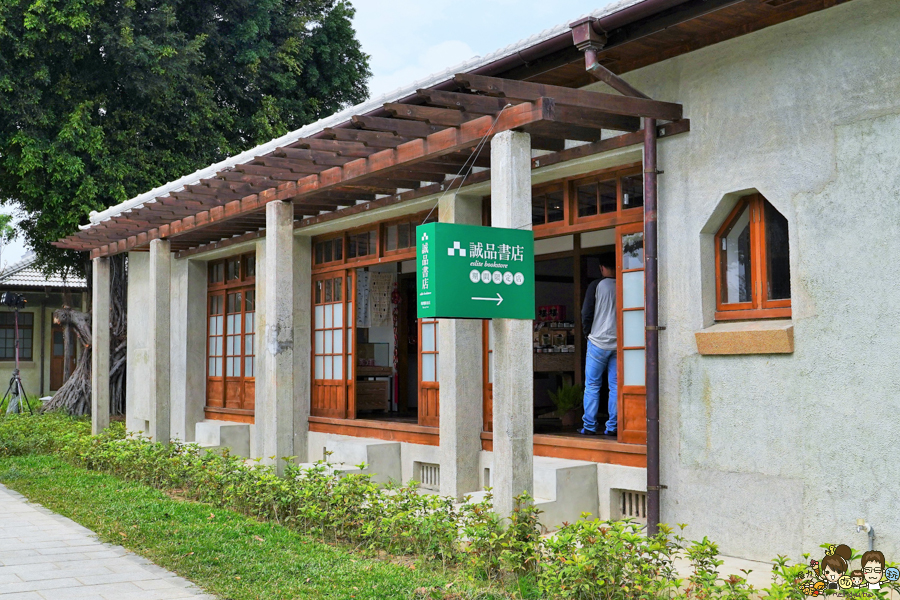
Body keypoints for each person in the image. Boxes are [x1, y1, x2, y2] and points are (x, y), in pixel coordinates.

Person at [579, 254, 617, 437]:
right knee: (616, 386)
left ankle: (590, 426)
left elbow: (586, 312)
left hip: (597, 343)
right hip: (619, 344)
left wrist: (587, 333)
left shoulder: (596, 285)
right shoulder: (626, 282)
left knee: (592, 385)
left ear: (602, 268)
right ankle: (613, 427)